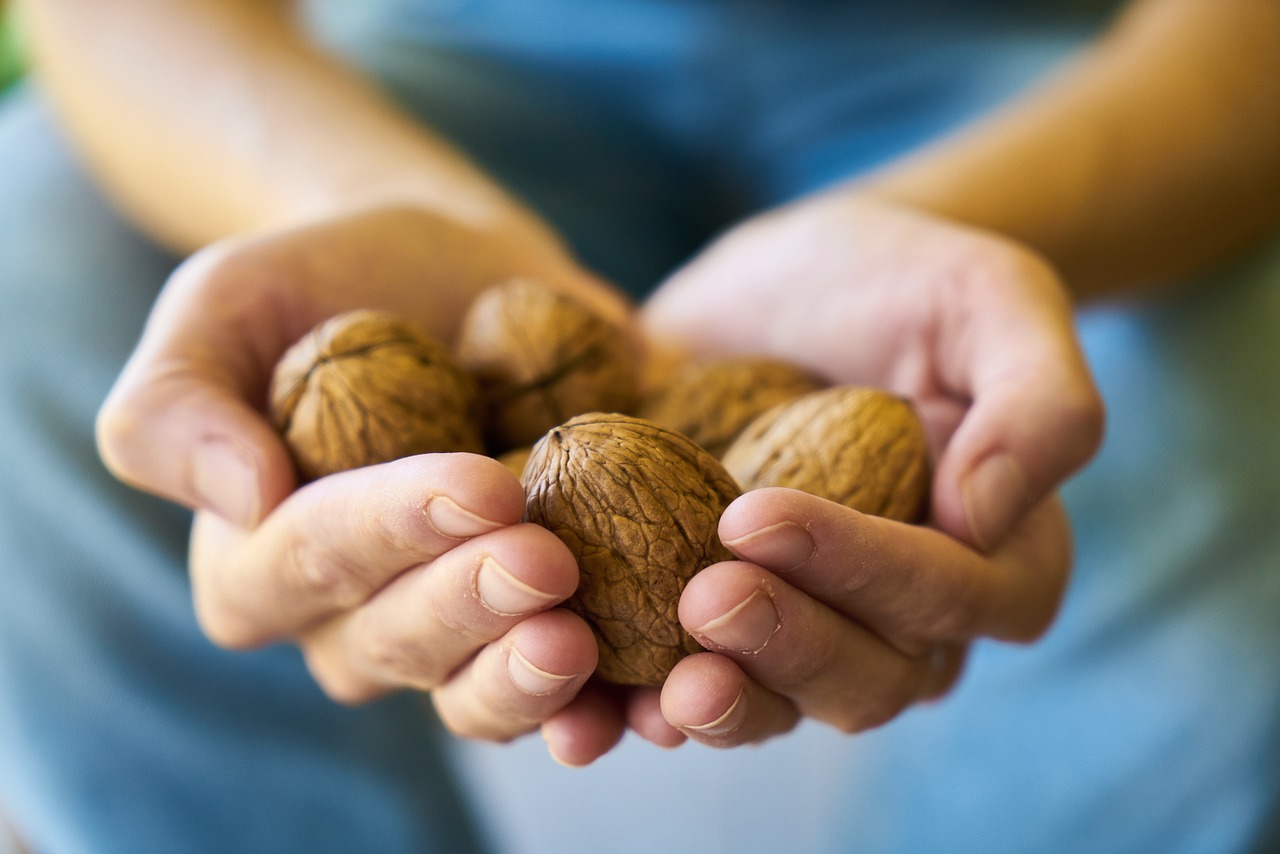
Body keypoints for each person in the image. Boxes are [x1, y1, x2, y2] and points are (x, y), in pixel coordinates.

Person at [1, 0, 1277, 851]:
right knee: (28, 254)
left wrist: (974, 241)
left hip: (1033, 70)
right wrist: (366, 202)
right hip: (453, 58)